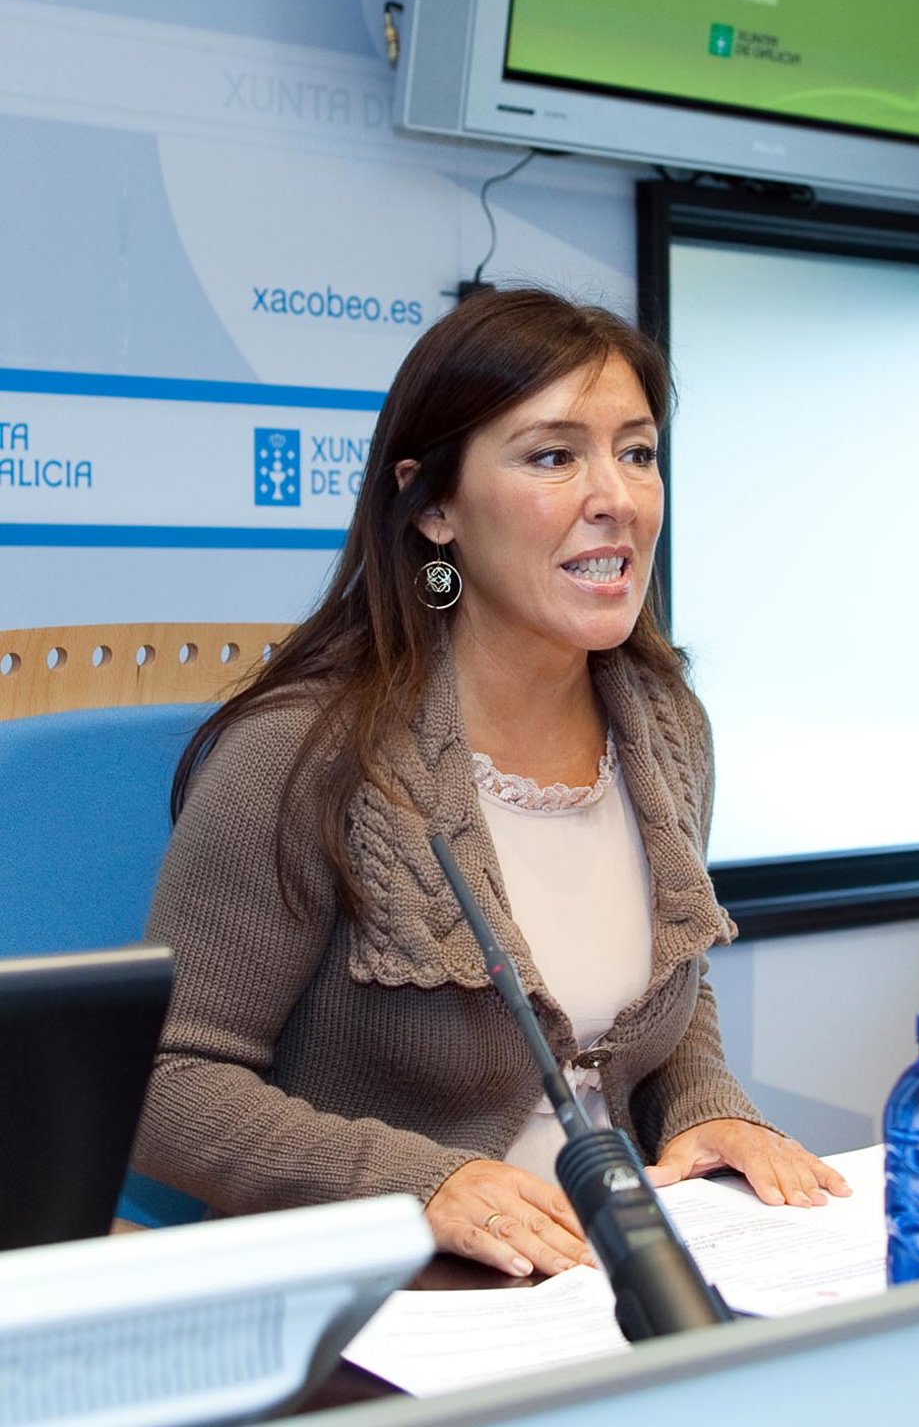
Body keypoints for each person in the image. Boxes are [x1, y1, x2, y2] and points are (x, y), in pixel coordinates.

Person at [134, 287, 849, 1277]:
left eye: (638, 452)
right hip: (381, 1304)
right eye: (554, 456)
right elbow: (162, 1081)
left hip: (608, 1276)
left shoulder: (668, 724)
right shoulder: (302, 752)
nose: (618, 495)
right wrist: (418, 1183)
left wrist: (706, 1106)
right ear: (434, 507)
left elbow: (665, 986)